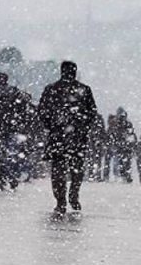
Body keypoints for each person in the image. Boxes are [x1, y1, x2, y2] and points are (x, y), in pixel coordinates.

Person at [37, 61, 99, 214]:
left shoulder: (51, 89)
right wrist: (81, 125)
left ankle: (61, 200)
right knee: (75, 169)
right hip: (76, 136)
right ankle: (71, 195)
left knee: (59, 170)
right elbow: (92, 113)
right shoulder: (83, 90)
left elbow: (42, 111)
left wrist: (52, 125)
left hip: (59, 136)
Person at [0, 73, 32, 191]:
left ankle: (2, 180)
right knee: (13, 154)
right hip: (13, 128)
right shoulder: (14, 91)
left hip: (0, 129)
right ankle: (12, 178)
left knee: (1, 155)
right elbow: (27, 100)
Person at [107, 107, 137, 182]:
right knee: (124, 162)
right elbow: (131, 134)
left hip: (122, 145)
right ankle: (126, 176)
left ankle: (125, 176)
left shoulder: (120, 123)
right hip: (123, 145)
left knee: (123, 162)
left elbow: (131, 134)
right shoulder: (124, 123)